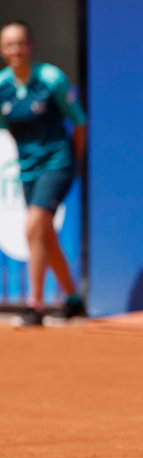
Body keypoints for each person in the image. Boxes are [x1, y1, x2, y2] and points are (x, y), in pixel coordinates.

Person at [0, 20, 87, 327]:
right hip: (28, 168)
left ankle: (34, 306)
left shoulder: (51, 79)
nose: (16, 50)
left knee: (35, 224)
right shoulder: (2, 87)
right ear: (2, 50)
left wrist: (75, 162)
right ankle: (74, 300)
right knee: (46, 237)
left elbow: (79, 121)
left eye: (20, 43)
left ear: (31, 45)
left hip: (58, 162)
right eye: (9, 45)